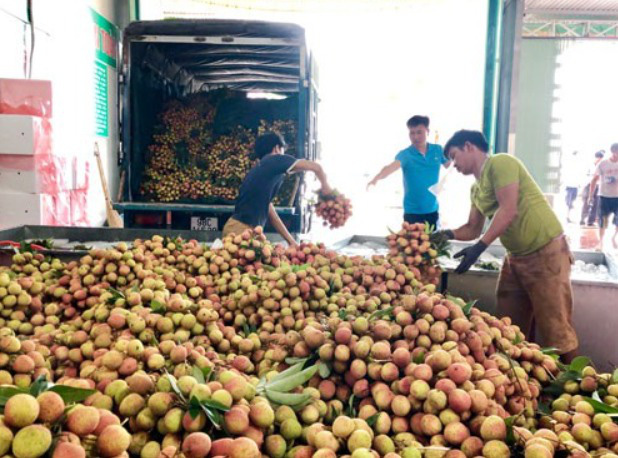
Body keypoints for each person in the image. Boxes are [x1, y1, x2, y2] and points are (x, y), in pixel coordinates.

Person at [434, 130, 578, 363]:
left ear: (469, 146)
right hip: (516, 258)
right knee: (508, 328)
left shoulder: (501, 163)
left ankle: (578, 385)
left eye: (454, 155)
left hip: (545, 252)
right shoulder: (476, 189)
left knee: (556, 328)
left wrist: (480, 247)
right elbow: (472, 228)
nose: (453, 164)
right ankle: (524, 381)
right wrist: (445, 235)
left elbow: (509, 209)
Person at [223, 132, 332, 246]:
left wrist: (291, 242)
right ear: (276, 148)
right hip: (242, 231)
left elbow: (271, 213)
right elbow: (316, 167)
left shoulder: (261, 169)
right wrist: (326, 189)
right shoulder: (274, 160)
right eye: (283, 150)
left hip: (238, 228)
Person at [367, 115, 450, 228]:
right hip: (412, 212)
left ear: (427, 131)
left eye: (419, 132)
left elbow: (452, 166)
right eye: (412, 133)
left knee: (432, 244)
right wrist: (376, 178)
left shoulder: (438, 150)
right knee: (412, 244)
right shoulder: (406, 154)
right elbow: (390, 167)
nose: (415, 137)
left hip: (432, 210)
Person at [589, 143, 618, 249]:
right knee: (603, 221)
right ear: (613, 152)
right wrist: (590, 196)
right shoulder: (603, 164)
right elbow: (594, 179)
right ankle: (601, 242)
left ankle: (614, 237)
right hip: (605, 196)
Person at [580, 150, 604, 226]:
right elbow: (585, 176)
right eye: (598, 158)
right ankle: (582, 219)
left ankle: (591, 221)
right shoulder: (589, 165)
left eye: (601, 159)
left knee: (596, 203)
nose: (599, 160)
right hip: (588, 185)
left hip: (598, 186)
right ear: (595, 158)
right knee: (586, 202)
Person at [562, 150, 580, 223]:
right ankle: (567, 217)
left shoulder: (573, 162)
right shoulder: (571, 162)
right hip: (571, 185)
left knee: (570, 202)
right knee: (570, 202)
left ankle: (568, 216)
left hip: (573, 185)